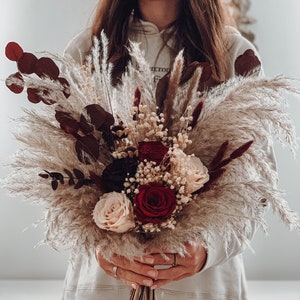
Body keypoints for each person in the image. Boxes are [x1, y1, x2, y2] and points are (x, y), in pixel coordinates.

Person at [62, 1, 271, 299]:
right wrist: (101, 246)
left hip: (201, 286)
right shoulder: (87, 49)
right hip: (104, 285)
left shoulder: (234, 53)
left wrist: (206, 251)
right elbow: (60, 176)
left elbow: (258, 183)